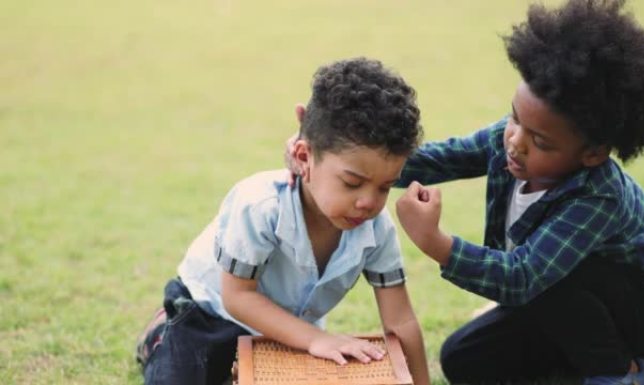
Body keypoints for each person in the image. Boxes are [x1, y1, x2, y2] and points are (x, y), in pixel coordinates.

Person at [393, 0, 644, 384]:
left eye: (540, 142)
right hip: (563, 297)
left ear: (593, 153)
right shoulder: (508, 140)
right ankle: (597, 358)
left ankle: (620, 369)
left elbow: (524, 276)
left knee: (557, 274)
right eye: (515, 118)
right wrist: (360, 155)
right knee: (462, 359)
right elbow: (439, 159)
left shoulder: (599, 195)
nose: (515, 142)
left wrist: (436, 243)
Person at [135, 57, 430, 385]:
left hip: (287, 331)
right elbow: (237, 297)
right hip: (209, 313)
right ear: (304, 157)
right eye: (351, 183)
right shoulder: (261, 204)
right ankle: (160, 335)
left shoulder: (377, 227)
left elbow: (400, 321)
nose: (369, 202)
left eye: (385, 187)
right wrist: (318, 339)